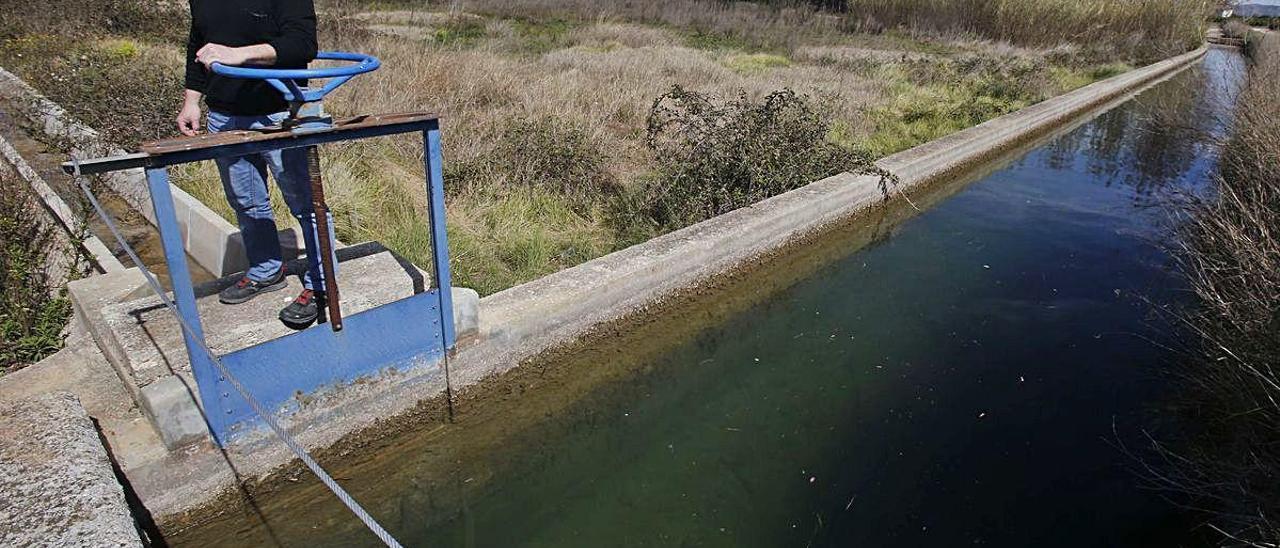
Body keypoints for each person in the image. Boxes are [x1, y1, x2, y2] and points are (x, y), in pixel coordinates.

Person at [177, 0, 336, 327]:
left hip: (279, 113)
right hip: (224, 115)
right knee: (246, 201)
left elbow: (302, 44)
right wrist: (191, 101)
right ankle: (266, 270)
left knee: (306, 202)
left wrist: (240, 54)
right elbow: (199, 45)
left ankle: (321, 285)